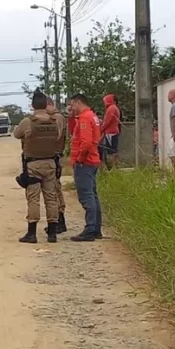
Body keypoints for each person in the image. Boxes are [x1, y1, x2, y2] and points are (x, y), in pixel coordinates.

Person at [13, 91, 60, 243]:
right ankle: (52, 233)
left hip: (33, 165)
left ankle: (31, 234)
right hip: (51, 163)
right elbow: (58, 138)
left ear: (32, 105)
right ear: (46, 105)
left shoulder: (28, 122)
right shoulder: (54, 121)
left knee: (33, 199)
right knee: (51, 198)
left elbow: (16, 134)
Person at [68, 93, 103, 242]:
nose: (71, 108)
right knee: (92, 195)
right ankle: (95, 229)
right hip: (93, 160)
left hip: (85, 162)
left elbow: (86, 142)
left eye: (72, 104)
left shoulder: (84, 118)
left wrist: (80, 159)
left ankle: (90, 229)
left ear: (78, 102)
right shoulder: (92, 116)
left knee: (86, 195)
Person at [45, 97, 68, 234]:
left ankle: (60, 220)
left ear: (49, 104)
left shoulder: (57, 118)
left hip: (56, 157)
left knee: (55, 189)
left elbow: (57, 136)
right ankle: (58, 220)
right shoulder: (55, 117)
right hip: (54, 157)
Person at [100, 94, 121, 169]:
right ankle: (114, 167)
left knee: (111, 151)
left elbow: (107, 121)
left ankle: (112, 167)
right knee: (114, 150)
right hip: (113, 131)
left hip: (110, 133)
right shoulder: (115, 108)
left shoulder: (111, 108)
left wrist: (101, 129)